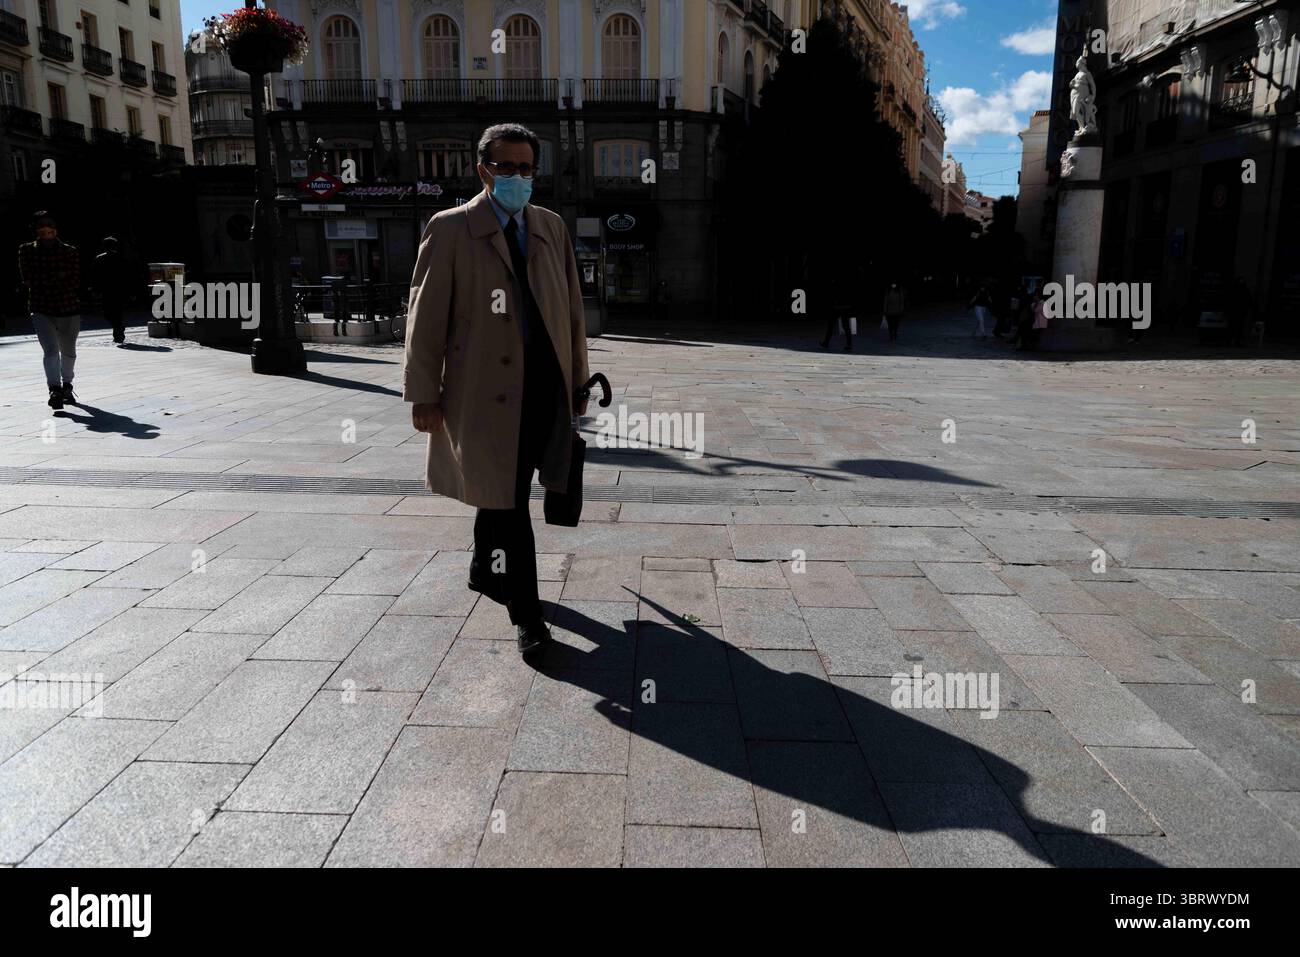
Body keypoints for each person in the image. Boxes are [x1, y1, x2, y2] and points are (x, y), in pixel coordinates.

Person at [404, 123, 590, 656]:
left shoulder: (551, 227)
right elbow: (425, 318)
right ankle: (527, 617)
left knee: (503, 491)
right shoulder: (450, 229)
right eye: (506, 167)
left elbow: (573, 313)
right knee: (511, 505)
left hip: (545, 392)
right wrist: (423, 393)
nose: (517, 176)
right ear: (483, 170)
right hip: (482, 398)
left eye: (527, 167)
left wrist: (578, 381)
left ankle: (485, 567)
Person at [17, 212, 81, 410]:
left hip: (68, 308)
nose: (46, 235)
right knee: (50, 350)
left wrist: (44, 278)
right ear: (36, 232)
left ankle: (67, 384)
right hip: (41, 307)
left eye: (50, 231)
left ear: (55, 231)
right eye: (42, 231)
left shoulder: (70, 251)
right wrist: (57, 276)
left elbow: (73, 279)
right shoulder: (26, 250)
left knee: (68, 351)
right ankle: (54, 388)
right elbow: (27, 278)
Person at [93, 237, 129, 345]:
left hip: (108, 289)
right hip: (118, 289)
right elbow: (127, 275)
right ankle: (119, 328)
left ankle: (118, 333)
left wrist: (96, 288)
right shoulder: (121, 258)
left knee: (108, 312)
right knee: (117, 312)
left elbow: (96, 276)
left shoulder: (99, 259)